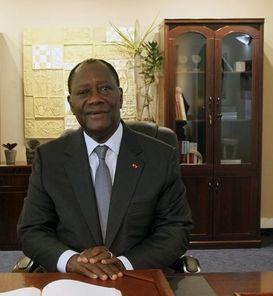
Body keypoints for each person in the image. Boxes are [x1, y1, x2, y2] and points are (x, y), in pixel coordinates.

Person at [18, 58, 192, 281]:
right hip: (71, 280)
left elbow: (176, 230)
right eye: (83, 92)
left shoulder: (160, 156)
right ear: (71, 103)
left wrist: (122, 263)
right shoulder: (49, 159)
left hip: (139, 276)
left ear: (120, 96)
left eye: (105, 89)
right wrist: (72, 261)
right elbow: (31, 230)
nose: (95, 99)